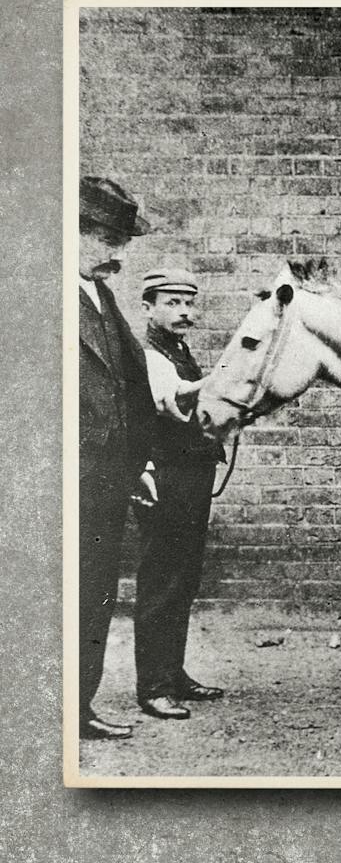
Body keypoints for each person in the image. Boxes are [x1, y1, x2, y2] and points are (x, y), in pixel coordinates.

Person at [78, 176, 157, 742]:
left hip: (105, 480)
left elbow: (132, 384)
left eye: (121, 243)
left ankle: (76, 707)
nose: (117, 256)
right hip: (62, 480)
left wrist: (142, 463)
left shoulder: (101, 297)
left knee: (96, 593)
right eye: (108, 240)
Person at [135, 267, 226, 720]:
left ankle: (173, 674)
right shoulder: (151, 354)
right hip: (168, 477)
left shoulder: (177, 348)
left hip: (192, 476)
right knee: (162, 581)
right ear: (148, 308)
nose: (184, 312)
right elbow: (174, 402)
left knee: (184, 579)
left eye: (188, 303)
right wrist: (228, 379)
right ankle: (152, 686)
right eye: (172, 303)